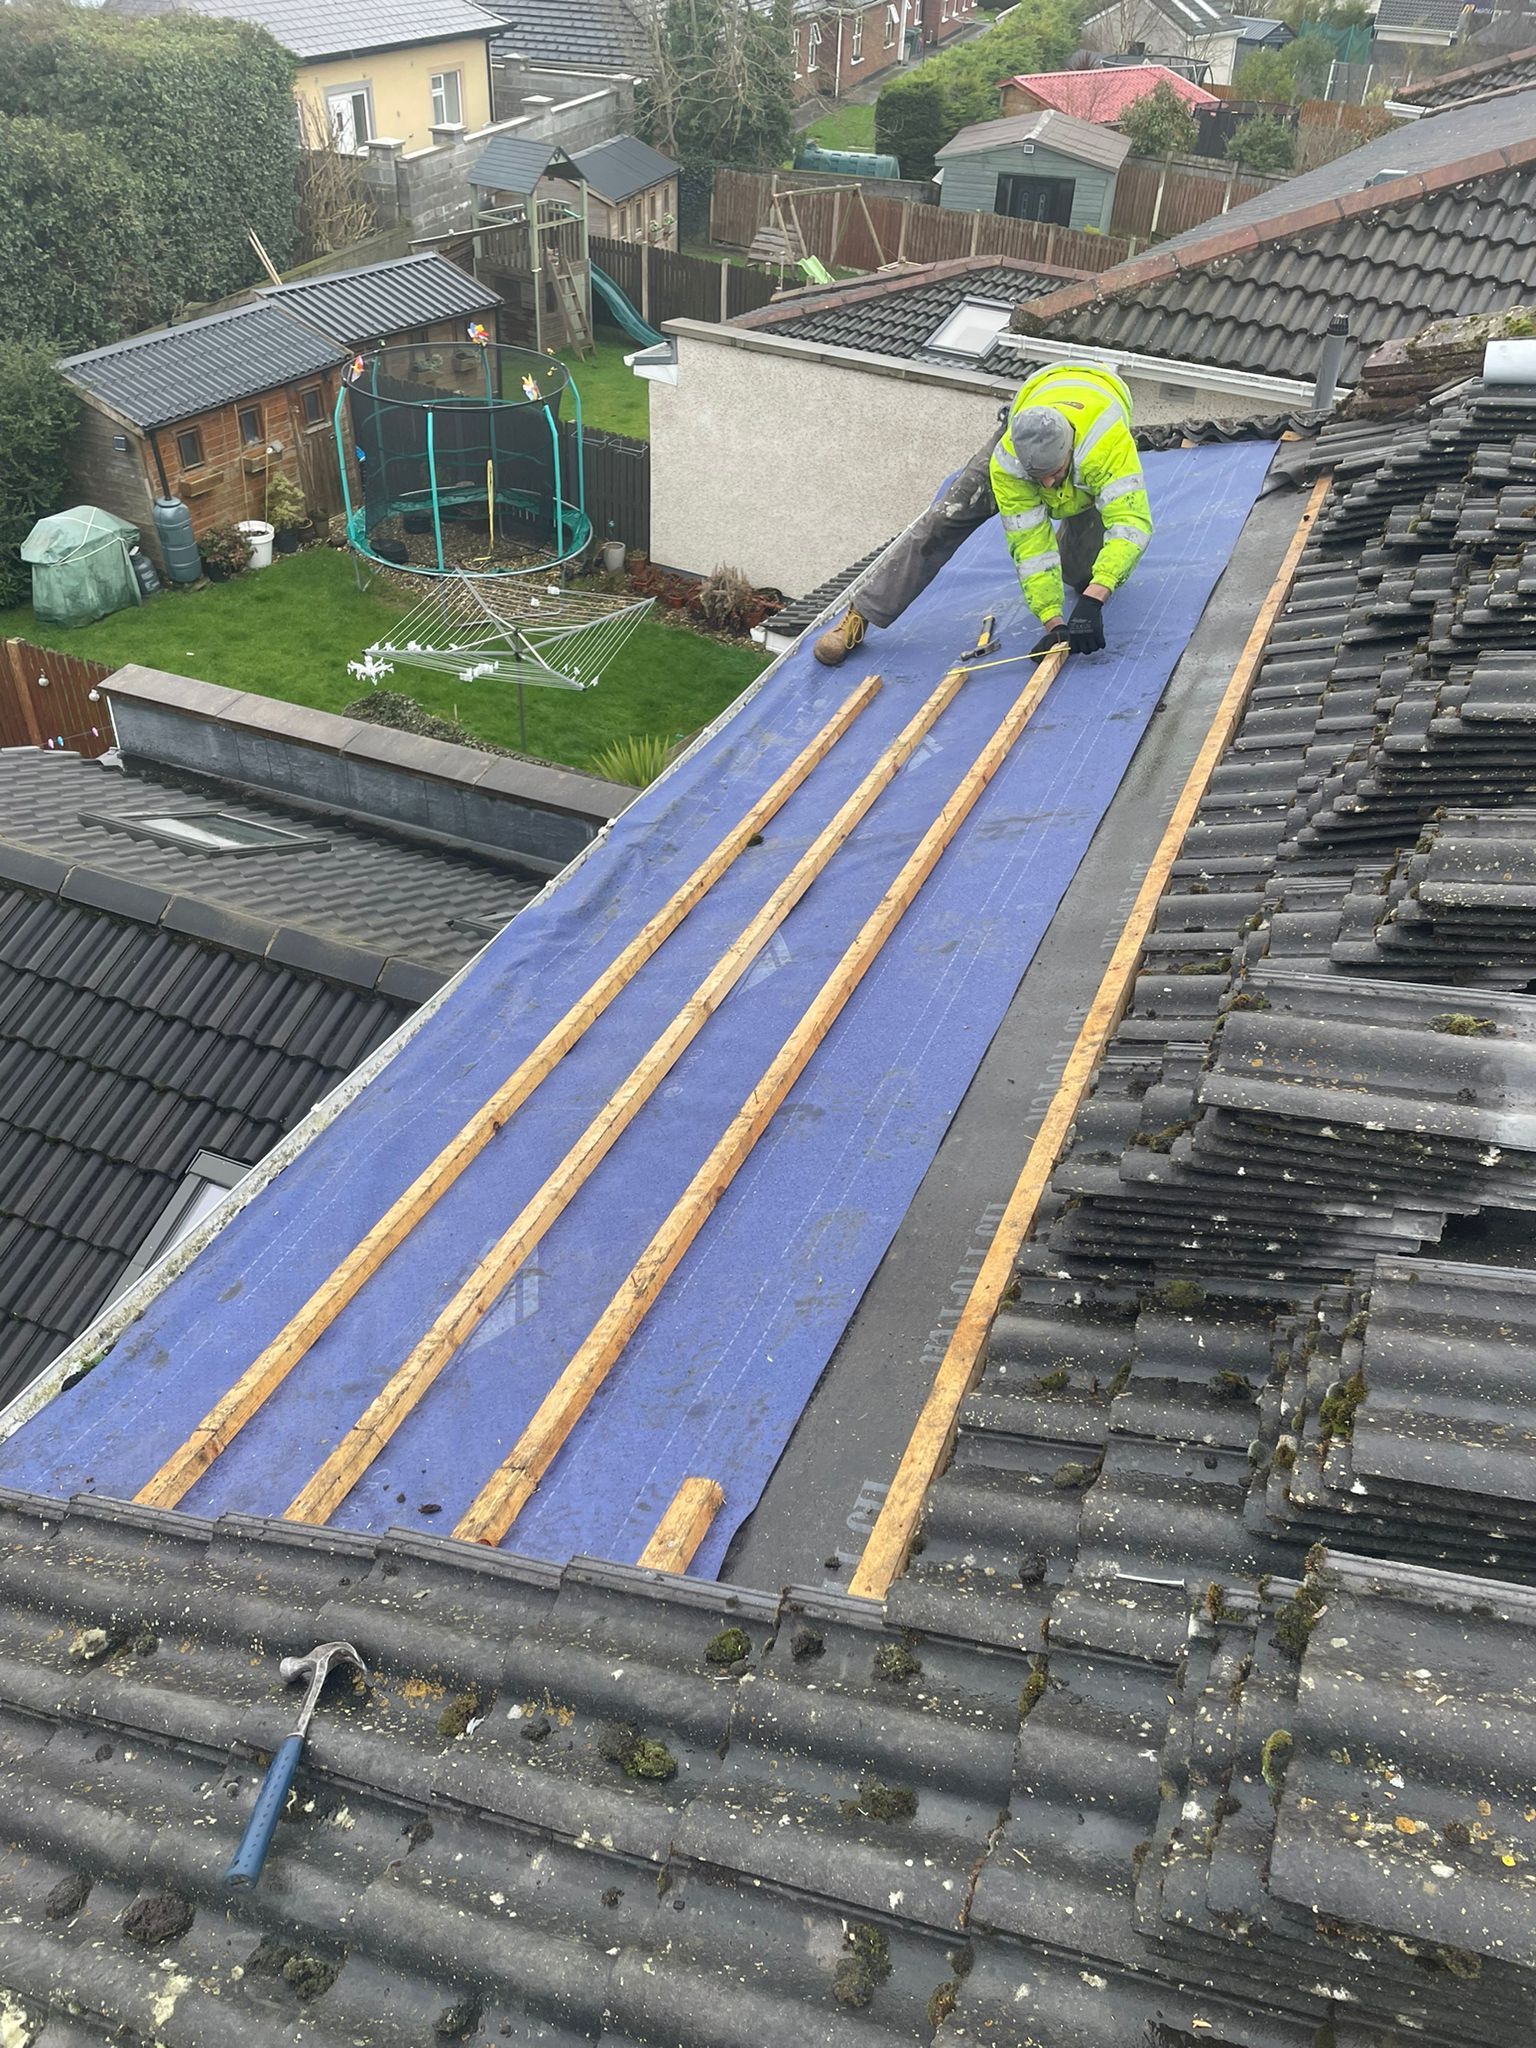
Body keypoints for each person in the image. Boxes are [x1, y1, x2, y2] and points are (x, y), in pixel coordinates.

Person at [814, 362, 1153, 666]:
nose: (1047, 484)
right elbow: (1030, 544)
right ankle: (860, 615)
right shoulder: (1009, 462)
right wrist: (1054, 620)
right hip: (1030, 424)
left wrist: (1094, 599)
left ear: (1070, 451)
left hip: (1096, 424)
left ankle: (1082, 568)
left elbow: (1131, 526)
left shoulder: (1107, 448)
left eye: (1054, 473)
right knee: (945, 518)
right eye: (1038, 478)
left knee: (1083, 576)